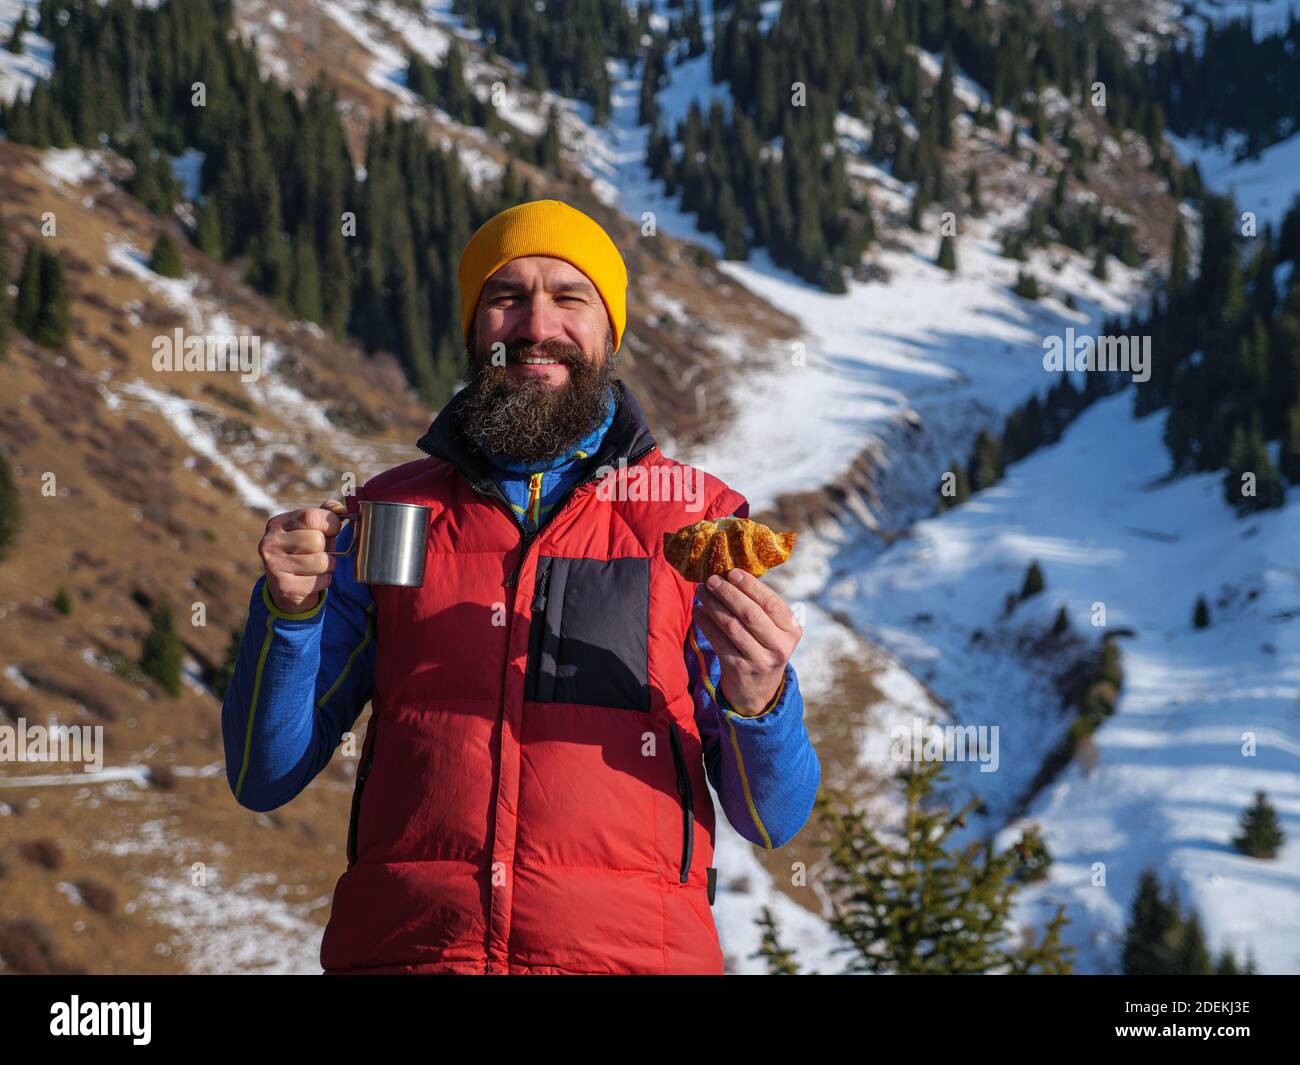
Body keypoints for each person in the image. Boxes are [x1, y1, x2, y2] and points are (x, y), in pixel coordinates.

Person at [221, 199, 821, 974]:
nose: (536, 325)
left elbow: (772, 817)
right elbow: (261, 774)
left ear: (609, 333)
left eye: (569, 298)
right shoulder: (392, 515)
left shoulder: (692, 520)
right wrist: (290, 613)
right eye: (507, 297)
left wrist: (759, 694)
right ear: (476, 329)